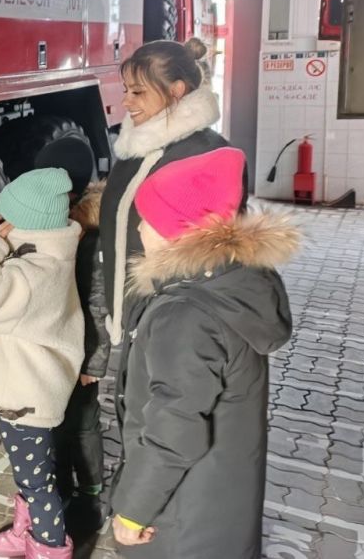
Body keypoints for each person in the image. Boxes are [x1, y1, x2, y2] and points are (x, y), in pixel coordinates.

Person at [109, 147, 297, 558]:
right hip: (219, 501)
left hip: (181, 517)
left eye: (150, 220)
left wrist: (133, 511)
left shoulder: (185, 316)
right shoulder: (232, 285)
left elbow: (175, 427)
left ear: (179, 232)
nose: (140, 229)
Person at [0, 168, 84, 559]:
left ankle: (49, 546)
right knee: (32, 472)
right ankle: (27, 529)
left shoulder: (33, 271)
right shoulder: (44, 255)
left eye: (8, 218)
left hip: (26, 398)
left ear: (24, 224)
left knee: (37, 481)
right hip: (25, 391)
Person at [99, 37, 245, 347]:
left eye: (138, 92)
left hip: (171, 335)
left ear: (176, 91)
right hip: (131, 327)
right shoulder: (134, 150)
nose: (126, 102)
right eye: (126, 91)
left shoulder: (208, 157)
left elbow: (217, 264)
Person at [34, 139, 109, 535]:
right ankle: (61, 489)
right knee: (57, 426)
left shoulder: (90, 236)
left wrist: (92, 363)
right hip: (56, 351)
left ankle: (92, 498)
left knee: (83, 425)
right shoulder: (60, 225)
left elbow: (97, 306)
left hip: (79, 358)